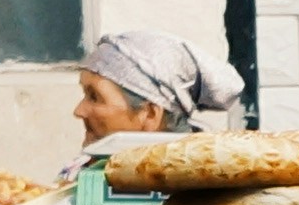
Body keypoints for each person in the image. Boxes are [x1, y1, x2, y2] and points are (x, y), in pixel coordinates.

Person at [74, 28, 246, 144]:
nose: (78, 111)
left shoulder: (191, 188)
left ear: (150, 114)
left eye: (95, 97)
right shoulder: (83, 174)